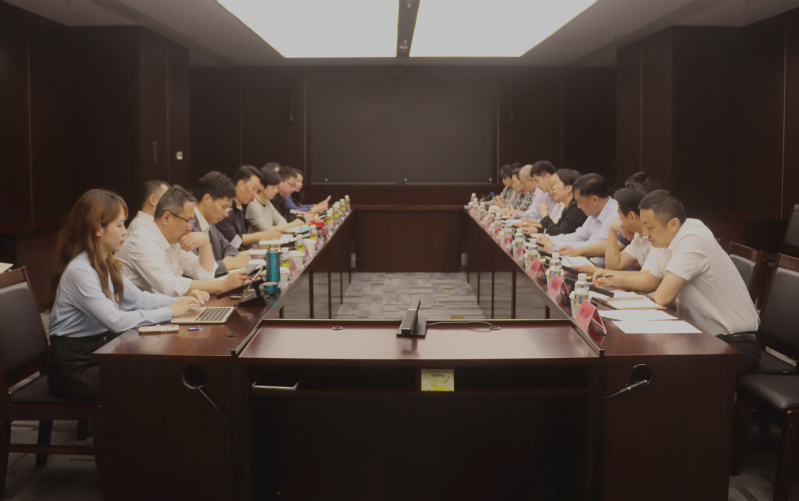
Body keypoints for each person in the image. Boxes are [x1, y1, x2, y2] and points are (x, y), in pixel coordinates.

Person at [46, 189, 206, 400]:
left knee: (159, 371)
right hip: (74, 368)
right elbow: (116, 321)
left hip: (99, 352)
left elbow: (140, 299)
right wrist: (169, 311)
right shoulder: (80, 270)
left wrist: (181, 301)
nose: (125, 232)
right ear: (98, 229)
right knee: (151, 381)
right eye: (120, 225)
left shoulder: (107, 263)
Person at [595, 190, 760, 374]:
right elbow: (650, 280)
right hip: (703, 336)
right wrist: (611, 279)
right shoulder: (667, 239)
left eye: (650, 227)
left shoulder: (693, 239)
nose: (645, 233)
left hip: (734, 345)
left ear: (673, 224)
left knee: (654, 370)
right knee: (638, 361)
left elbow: (662, 297)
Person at [116, 185, 247, 296]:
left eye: (192, 222)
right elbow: (169, 287)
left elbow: (204, 275)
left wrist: (205, 242)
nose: (190, 228)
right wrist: (222, 285)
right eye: (187, 221)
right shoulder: (142, 241)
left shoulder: (173, 241)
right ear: (166, 218)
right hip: (134, 315)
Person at [538, 173, 619, 266]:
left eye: (580, 202)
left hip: (599, 267)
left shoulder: (614, 214)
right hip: (587, 261)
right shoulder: (594, 210)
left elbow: (593, 246)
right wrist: (550, 239)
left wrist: (554, 246)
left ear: (594, 200)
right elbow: (578, 236)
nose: (578, 206)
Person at [192, 171, 252, 275]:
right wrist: (229, 264)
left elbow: (230, 247)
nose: (226, 214)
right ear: (206, 199)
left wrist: (228, 261)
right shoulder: (187, 224)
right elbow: (196, 269)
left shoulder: (211, 223)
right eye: (224, 207)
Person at [215, 165, 265, 249]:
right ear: (240, 184)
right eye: (253, 188)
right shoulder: (226, 209)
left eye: (257, 191)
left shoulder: (239, 206)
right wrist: (263, 235)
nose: (255, 194)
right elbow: (232, 240)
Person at [246, 166, 304, 233]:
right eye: (273, 188)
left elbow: (281, 220)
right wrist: (293, 224)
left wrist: (282, 227)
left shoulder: (266, 201)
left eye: (277, 187)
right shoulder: (253, 205)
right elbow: (267, 230)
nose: (276, 191)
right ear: (261, 186)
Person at [531, 168, 587, 236]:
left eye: (557, 184)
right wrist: (537, 230)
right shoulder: (567, 207)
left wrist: (544, 214)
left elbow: (559, 234)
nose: (553, 188)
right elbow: (556, 227)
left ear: (568, 188)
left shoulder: (576, 208)